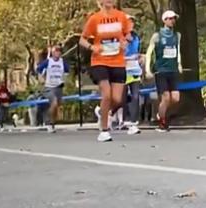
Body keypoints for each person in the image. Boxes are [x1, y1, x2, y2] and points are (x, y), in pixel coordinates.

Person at [79, 0, 132, 142]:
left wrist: (125, 43)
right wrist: (92, 47)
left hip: (118, 62)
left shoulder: (121, 16)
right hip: (100, 62)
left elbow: (128, 35)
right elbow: (82, 40)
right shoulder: (94, 19)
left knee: (117, 99)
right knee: (107, 95)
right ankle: (104, 131)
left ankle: (102, 111)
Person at [145, 10, 183, 132]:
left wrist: (179, 64)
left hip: (173, 70)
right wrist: (147, 69)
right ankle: (162, 122)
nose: (172, 21)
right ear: (164, 20)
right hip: (161, 70)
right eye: (170, 18)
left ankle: (161, 112)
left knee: (175, 98)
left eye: (174, 18)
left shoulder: (177, 35)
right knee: (165, 97)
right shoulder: (157, 36)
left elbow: (177, 50)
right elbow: (149, 53)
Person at [37, 44, 70, 133]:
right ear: (52, 53)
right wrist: (41, 79)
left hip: (59, 86)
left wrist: (64, 80)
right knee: (54, 102)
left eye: (59, 51)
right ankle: (48, 122)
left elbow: (67, 72)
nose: (58, 53)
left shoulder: (62, 62)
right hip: (49, 87)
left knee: (57, 106)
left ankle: (52, 123)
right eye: (56, 51)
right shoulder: (48, 62)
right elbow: (39, 70)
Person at [123, 16, 143, 135]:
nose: (131, 24)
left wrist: (140, 58)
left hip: (134, 70)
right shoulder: (119, 38)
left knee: (136, 96)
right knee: (121, 99)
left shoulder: (136, 38)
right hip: (122, 71)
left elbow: (137, 53)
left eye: (132, 22)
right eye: (128, 22)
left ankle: (133, 123)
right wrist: (129, 57)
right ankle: (107, 113)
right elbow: (117, 55)